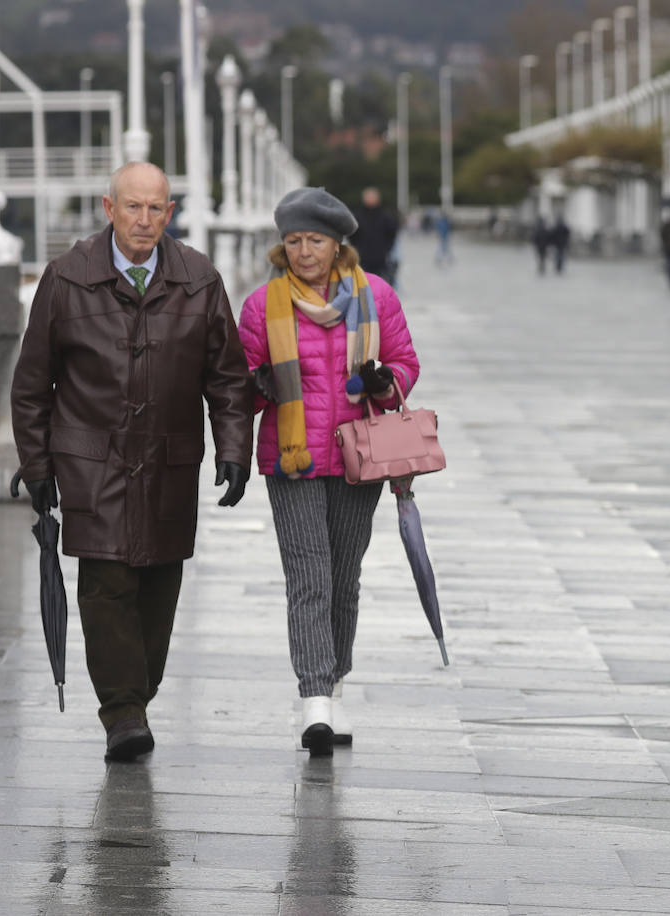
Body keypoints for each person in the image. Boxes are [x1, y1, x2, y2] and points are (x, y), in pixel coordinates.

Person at [9, 161, 253, 763]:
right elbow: (33, 382)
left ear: (170, 214)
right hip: (92, 460)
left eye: (156, 209)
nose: (144, 220)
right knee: (107, 583)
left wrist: (233, 448)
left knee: (158, 584)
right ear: (108, 207)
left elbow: (227, 379)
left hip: (168, 459)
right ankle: (122, 713)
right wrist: (37, 464)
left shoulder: (199, 279)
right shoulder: (66, 279)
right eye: (133, 207)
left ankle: (135, 698)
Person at [237, 187, 420, 757]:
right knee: (308, 575)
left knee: (344, 576)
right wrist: (255, 385)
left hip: (357, 457)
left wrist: (385, 381)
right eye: (293, 241)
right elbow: (237, 383)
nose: (303, 252)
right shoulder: (262, 306)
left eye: (314, 240)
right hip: (290, 461)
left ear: (336, 243)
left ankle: (334, 681)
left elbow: (406, 363)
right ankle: (314, 698)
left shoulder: (377, 297)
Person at [349, 186, 401, 287]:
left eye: (373, 197)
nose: (370, 199)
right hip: (362, 258)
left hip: (381, 258)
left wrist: (387, 248)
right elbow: (352, 234)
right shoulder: (357, 216)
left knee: (380, 286)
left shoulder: (386, 216)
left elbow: (392, 233)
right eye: (368, 197)